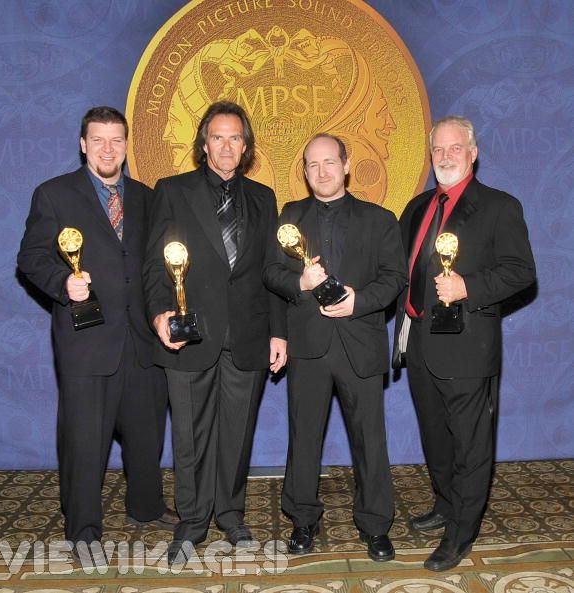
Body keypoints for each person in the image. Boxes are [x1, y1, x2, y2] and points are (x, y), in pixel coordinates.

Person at [17, 106, 177, 563]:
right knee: (84, 438)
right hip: (86, 341)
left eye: (117, 141)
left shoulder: (147, 198)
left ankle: (145, 506)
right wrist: (61, 284)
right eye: (99, 140)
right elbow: (30, 257)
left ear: (126, 146)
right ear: (83, 144)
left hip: (143, 340)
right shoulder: (53, 194)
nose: (109, 149)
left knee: (147, 434)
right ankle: (83, 525)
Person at [143, 101, 287, 564]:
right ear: (203, 144)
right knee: (189, 435)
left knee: (237, 432)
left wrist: (279, 333)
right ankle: (191, 521)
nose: (227, 146)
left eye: (235, 138)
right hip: (189, 335)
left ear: (246, 147)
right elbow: (153, 266)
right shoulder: (171, 190)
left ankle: (230, 513)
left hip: (247, 335)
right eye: (218, 137)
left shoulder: (264, 198)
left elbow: (273, 270)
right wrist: (161, 313)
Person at [392, 116, 536, 571]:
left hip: (468, 346)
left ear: (473, 153)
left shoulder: (498, 206)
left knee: (472, 445)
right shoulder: (416, 208)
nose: (447, 156)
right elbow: (403, 273)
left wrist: (468, 287)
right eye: (439, 150)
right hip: (420, 343)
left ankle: (461, 534)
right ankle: (447, 503)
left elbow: (520, 272)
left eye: (456, 148)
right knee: (436, 438)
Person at [264, 134, 407, 562]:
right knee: (304, 438)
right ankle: (303, 520)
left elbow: (394, 278)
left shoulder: (380, 219)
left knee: (370, 441)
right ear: (304, 172)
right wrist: (299, 283)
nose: (322, 171)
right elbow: (271, 274)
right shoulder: (289, 217)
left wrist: (357, 301)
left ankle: (376, 525)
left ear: (346, 165)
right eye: (312, 164)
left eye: (329, 162)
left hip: (359, 344)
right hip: (307, 346)